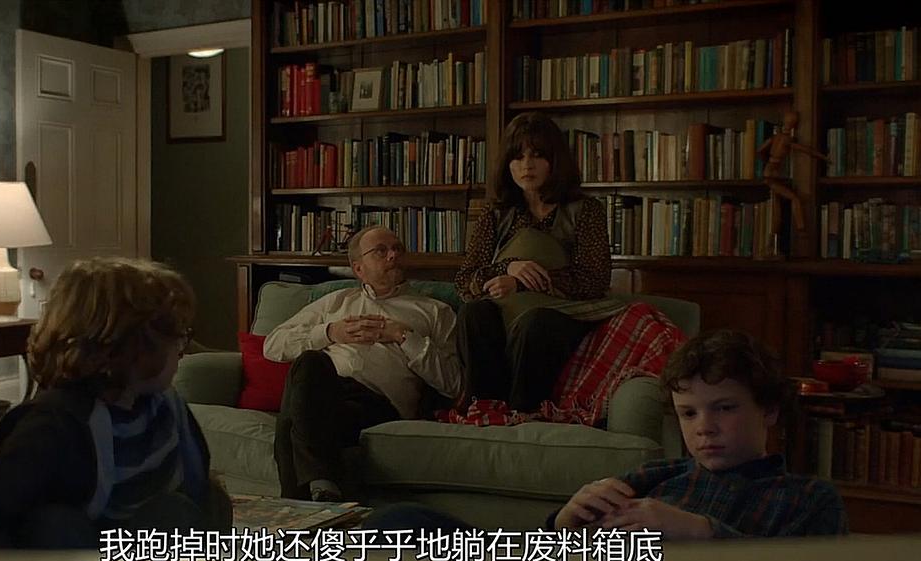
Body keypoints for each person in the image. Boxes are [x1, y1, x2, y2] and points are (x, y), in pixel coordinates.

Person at [368, 329, 848, 539]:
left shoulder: (806, 499)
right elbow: (555, 552)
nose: (704, 427)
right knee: (399, 521)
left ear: (768, 410)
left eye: (724, 408)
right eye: (688, 413)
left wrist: (702, 532)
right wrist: (563, 521)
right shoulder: (659, 477)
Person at [0, 257, 231, 548]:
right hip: (83, 558)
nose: (182, 346)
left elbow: (197, 486)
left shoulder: (164, 405)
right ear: (125, 345)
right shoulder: (57, 422)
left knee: (194, 505)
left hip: (144, 553)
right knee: (55, 524)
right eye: (175, 335)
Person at [264, 225, 462, 502]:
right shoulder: (336, 303)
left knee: (292, 421)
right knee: (310, 363)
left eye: (398, 249)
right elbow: (272, 345)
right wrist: (330, 332)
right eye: (381, 251)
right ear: (359, 269)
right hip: (326, 395)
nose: (393, 255)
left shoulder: (434, 311)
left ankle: (300, 501)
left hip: (378, 405)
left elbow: (454, 383)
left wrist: (404, 337)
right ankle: (320, 493)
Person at [454, 111, 624, 412]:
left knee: (535, 323)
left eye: (537, 155)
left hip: (562, 314)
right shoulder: (495, 213)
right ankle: (485, 410)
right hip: (504, 312)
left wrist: (523, 282)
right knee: (473, 312)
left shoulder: (585, 210)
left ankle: (524, 414)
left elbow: (594, 280)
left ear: (554, 160)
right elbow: (465, 279)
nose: (526, 165)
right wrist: (508, 267)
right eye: (517, 157)